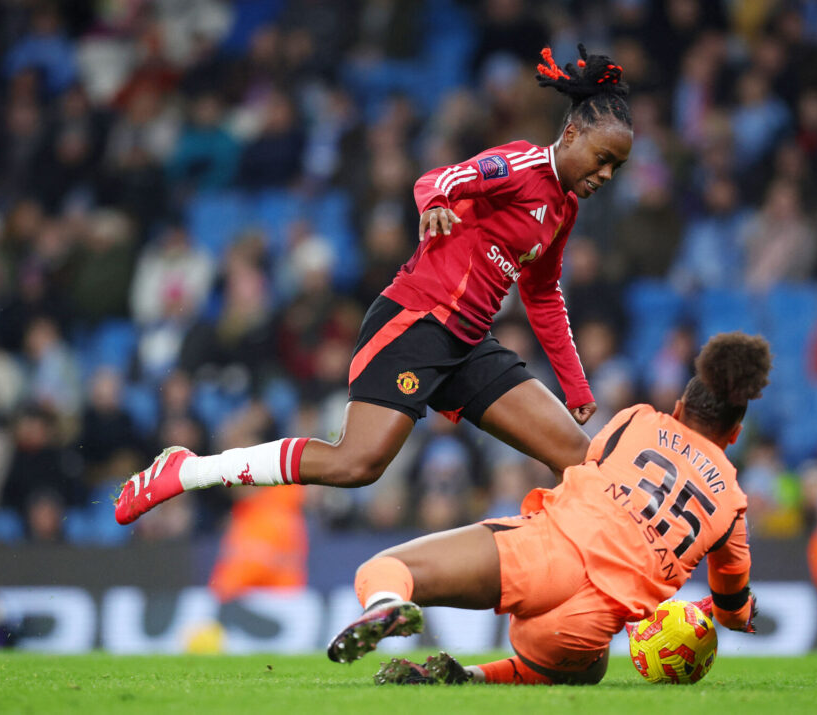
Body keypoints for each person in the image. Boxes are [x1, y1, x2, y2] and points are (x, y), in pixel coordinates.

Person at [115, 45, 633, 526]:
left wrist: (577, 386)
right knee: (356, 464)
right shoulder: (521, 165)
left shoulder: (562, 211)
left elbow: (542, 295)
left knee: (578, 458)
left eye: (618, 166)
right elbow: (439, 179)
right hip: (417, 322)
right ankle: (187, 471)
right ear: (570, 136)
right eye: (602, 158)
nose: (607, 174)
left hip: (470, 343)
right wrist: (434, 207)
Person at [327, 332, 770, 686]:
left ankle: (387, 603)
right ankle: (472, 676)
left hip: (543, 555)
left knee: (387, 568)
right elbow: (732, 607)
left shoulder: (638, 420)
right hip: (582, 626)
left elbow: (585, 467)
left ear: (678, 406)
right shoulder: (732, 503)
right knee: (584, 668)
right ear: (735, 434)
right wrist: (734, 613)